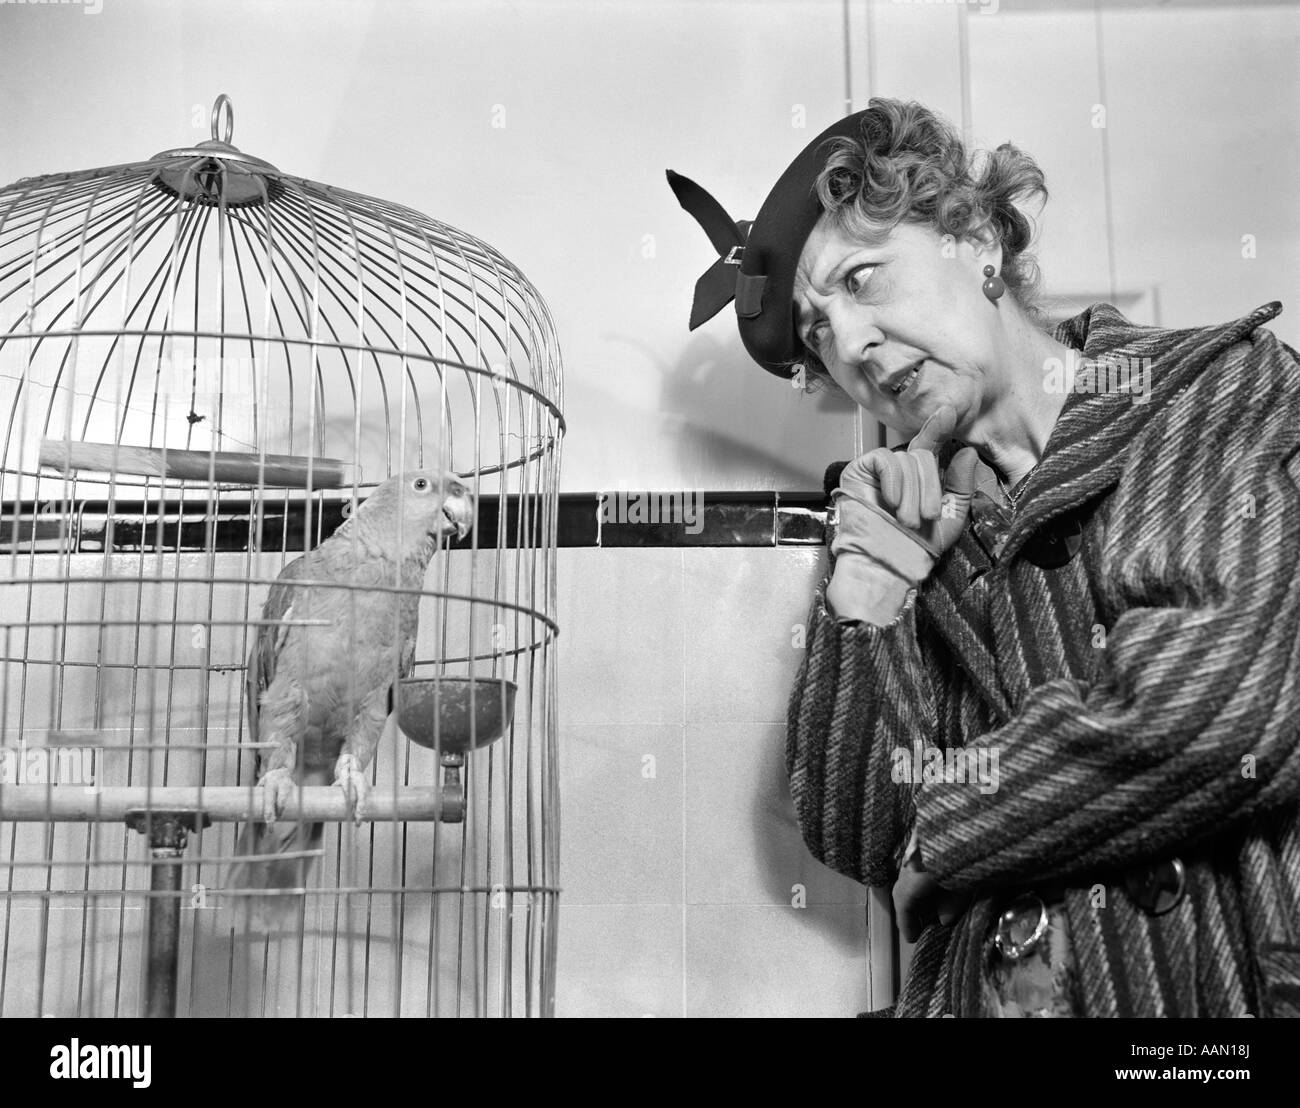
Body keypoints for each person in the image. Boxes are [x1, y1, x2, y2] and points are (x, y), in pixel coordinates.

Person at [669, 97, 1300, 1017]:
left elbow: (1223, 703)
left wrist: (955, 830)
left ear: (976, 242)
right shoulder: (898, 510)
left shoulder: (1207, 392)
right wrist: (870, 599)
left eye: (863, 280)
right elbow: (861, 834)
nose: (850, 346)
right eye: (816, 331)